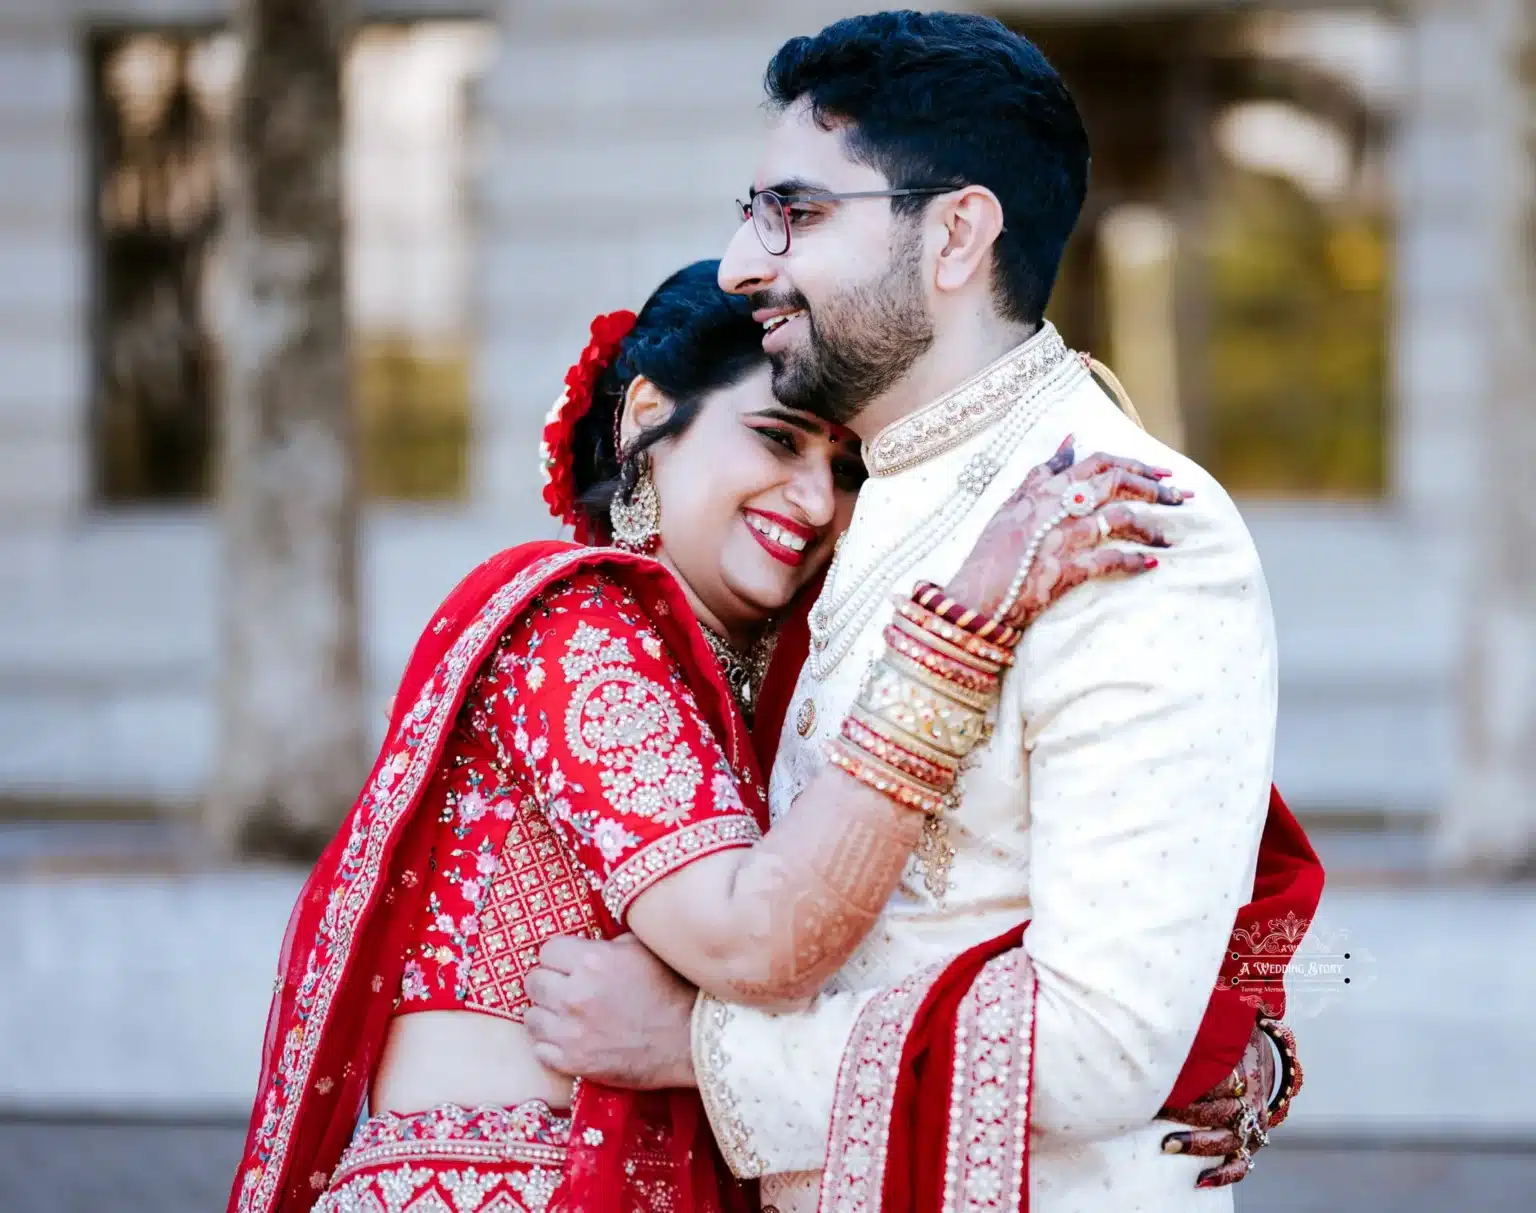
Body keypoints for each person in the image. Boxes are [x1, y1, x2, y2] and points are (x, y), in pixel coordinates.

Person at [520, 14, 1324, 1213]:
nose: (744, 262)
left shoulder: (1119, 515)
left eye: (795, 212)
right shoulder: (861, 517)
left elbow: (1106, 1038)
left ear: (955, 232)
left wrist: (701, 1050)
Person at [227, 260, 1183, 1213]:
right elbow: (754, 938)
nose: (814, 504)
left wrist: (1196, 1045)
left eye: (846, 472)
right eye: (778, 439)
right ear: (648, 413)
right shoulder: (579, 631)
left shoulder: (779, 689)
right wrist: (962, 629)